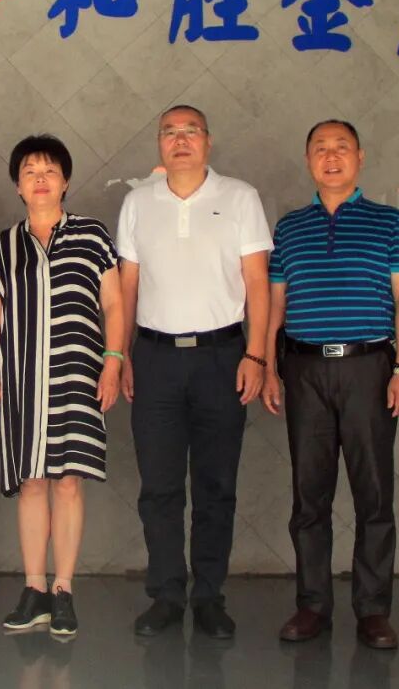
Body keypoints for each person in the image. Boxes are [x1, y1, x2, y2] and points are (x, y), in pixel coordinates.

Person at [262, 120, 399, 650]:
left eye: (341, 148)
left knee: (373, 493)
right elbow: (276, 305)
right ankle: (312, 605)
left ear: (360, 157)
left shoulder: (391, 223)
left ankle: (373, 611)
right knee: (309, 494)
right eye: (320, 149)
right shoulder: (290, 228)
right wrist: (268, 366)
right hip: (303, 369)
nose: (331, 157)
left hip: (368, 368)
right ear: (308, 159)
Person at [117, 105, 272, 639]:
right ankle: (166, 595)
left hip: (222, 357)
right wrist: (122, 355)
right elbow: (127, 286)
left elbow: (257, 282)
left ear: (208, 140)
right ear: (159, 143)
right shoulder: (138, 203)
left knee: (215, 485)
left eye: (190, 131)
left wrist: (257, 355)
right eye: (170, 132)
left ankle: (209, 597)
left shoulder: (240, 198)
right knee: (158, 487)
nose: (180, 140)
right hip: (154, 358)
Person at [0, 134, 123, 637]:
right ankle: (34, 588)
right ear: (18, 185)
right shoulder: (2, 245)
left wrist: (113, 361)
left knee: (68, 480)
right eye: (30, 172)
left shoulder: (93, 235)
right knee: (32, 481)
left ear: (65, 182)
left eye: (50, 171)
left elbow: (114, 304)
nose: (40, 179)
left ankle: (63, 590)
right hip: (20, 380)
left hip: (78, 376)